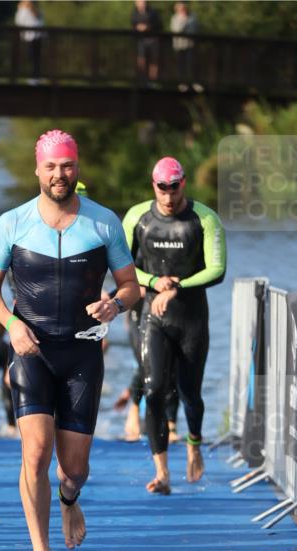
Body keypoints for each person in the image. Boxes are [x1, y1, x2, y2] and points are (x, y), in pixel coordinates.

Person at [0, 129, 139, 551]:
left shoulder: (103, 222)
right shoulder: (11, 224)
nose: (59, 174)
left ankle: (70, 501)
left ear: (77, 168)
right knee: (35, 454)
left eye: (66, 165)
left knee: (73, 469)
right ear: (37, 170)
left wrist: (116, 304)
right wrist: (11, 325)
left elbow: (131, 286)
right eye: (50, 166)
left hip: (83, 353)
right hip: (32, 350)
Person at [122, 156, 226, 492]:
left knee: (190, 393)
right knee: (153, 389)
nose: (168, 195)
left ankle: (194, 443)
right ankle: (162, 472)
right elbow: (121, 265)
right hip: (154, 315)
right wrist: (154, 282)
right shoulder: (138, 217)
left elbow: (217, 269)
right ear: (154, 186)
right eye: (162, 188)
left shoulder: (204, 218)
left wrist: (177, 285)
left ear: (184, 184)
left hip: (191, 317)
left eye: (174, 187)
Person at [131, 0, 162, 82]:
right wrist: (137, 28)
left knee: (153, 61)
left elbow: (159, 25)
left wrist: (148, 27)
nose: (141, 3)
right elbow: (133, 25)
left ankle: (153, 81)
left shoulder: (153, 12)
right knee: (141, 60)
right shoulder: (134, 13)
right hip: (141, 40)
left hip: (153, 39)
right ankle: (142, 80)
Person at [170, 1, 198, 87]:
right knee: (180, 65)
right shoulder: (175, 18)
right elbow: (177, 31)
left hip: (190, 44)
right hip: (179, 46)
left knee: (191, 64)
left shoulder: (193, 17)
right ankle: (182, 83)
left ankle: (193, 82)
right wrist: (183, 20)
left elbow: (195, 29)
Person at [15, 0, 44, 81]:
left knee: (35, 58)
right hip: (27, 37)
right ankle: (32, 77)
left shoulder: (36, 10)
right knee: (31, 57)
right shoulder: (23, 11)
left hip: (36, 36)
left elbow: (39, 20)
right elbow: (19, 22)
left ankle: (35, 77)